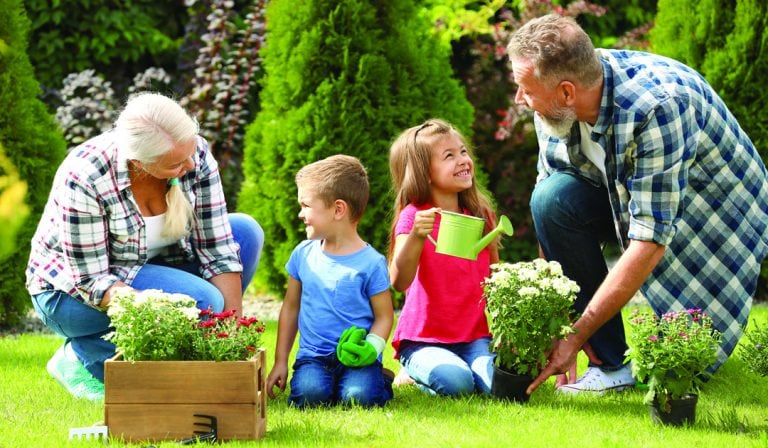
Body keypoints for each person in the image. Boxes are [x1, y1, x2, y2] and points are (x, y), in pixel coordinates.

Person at [505, 15, 768, 395]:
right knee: (551, 200)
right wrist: (555, 316)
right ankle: (612, 366)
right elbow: (548, 202)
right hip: (623, 191)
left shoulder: (658, 106)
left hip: (711, 207)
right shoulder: (557, 107)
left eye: (525, 90)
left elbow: (649, 239)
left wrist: (575, 337)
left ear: (566, 92)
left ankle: (660, 349)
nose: (519, 99)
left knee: (684, 366)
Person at [26, 92, 264, 401]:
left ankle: (122, 354)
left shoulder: (195, 154)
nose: (191, 165)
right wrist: (166, 310)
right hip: (71, 295)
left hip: (150, 266)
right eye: (177, 163)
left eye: (191, 153)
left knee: (245, 232)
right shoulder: (86, 175)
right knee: (202, 300)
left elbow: (218, 248)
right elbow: (92, 282)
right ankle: (83, 357)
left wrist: (231, 342)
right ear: (140, 162)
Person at [265, 154, 394, 408]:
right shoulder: (303, 254)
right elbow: (291, 307)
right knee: (309, 397)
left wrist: (372, 347)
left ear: (338, 209)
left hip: (358, 358)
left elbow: (384, 316)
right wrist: (281, 361)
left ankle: (379, 380)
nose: (300, 213)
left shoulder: (372, 263)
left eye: (306, 205)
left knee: (359, 399)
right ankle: (338, 382)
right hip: (314, 357)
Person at [388, 118, 500, 397]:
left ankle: (459, 365)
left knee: (497, 387)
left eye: (463, 151)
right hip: (424, 340)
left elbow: (496, 276)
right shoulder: (414, 216)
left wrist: (506, 330)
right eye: (449, 156)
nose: (463, 160)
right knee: (457, 384)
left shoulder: (480, 215)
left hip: (474, 336)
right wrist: (416, 236)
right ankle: (413, 371)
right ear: (424, 173)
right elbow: (399, 281)